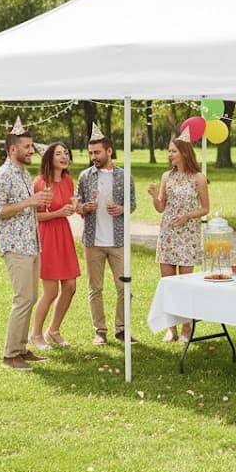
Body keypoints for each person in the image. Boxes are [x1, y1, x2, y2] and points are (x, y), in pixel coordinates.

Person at [0, 127, 52, 370]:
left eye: (31, 146)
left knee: (31, 297)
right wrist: (30, 202)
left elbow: (25, 208)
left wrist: (37, 203)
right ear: (12, 149)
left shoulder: (24, 173)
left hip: (31, 244)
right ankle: (10, 355)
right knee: (22, 298)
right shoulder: (3, 175)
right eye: (26, 147)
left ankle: (21, 349)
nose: (31, 150)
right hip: (15, 246)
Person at [76, 127, 137, 345]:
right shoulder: (85, 176)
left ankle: (121, 329)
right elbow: (77, 205)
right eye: (91, 153)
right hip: (93, 241)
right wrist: (84, 207)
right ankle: (99, 331)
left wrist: (122, 209)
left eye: (97, 153)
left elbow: (132, 204)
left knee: (124, 287)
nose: (93, 157)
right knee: (95, 289)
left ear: (109, 151)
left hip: (118, 241)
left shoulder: (124, 176)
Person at [148, 135, 210, 343]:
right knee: (167, 283)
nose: (170, 154)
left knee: (184, 284)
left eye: (173, 151)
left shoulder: (198, 178)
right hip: (167, 234)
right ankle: (170, 329)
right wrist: (154, 196)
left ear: (184, 153)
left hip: (187, 235)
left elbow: (205, 208)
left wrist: (187, 216)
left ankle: (186, 328)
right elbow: (161, 208)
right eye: (169, 150)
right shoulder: (167, 176)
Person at [30, 142, 80, 349]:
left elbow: (70, 202)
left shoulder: (68, 180)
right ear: (49, 158)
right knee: (50, 291)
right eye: (58, 154)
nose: (63, 156)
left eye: (66, 153)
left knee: (70, 286)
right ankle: (36, 334)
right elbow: (33, 216)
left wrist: (73, 208)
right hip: (47, 236)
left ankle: (54, 330)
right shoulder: (40, 183)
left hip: (64, 235)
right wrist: (58, 213)